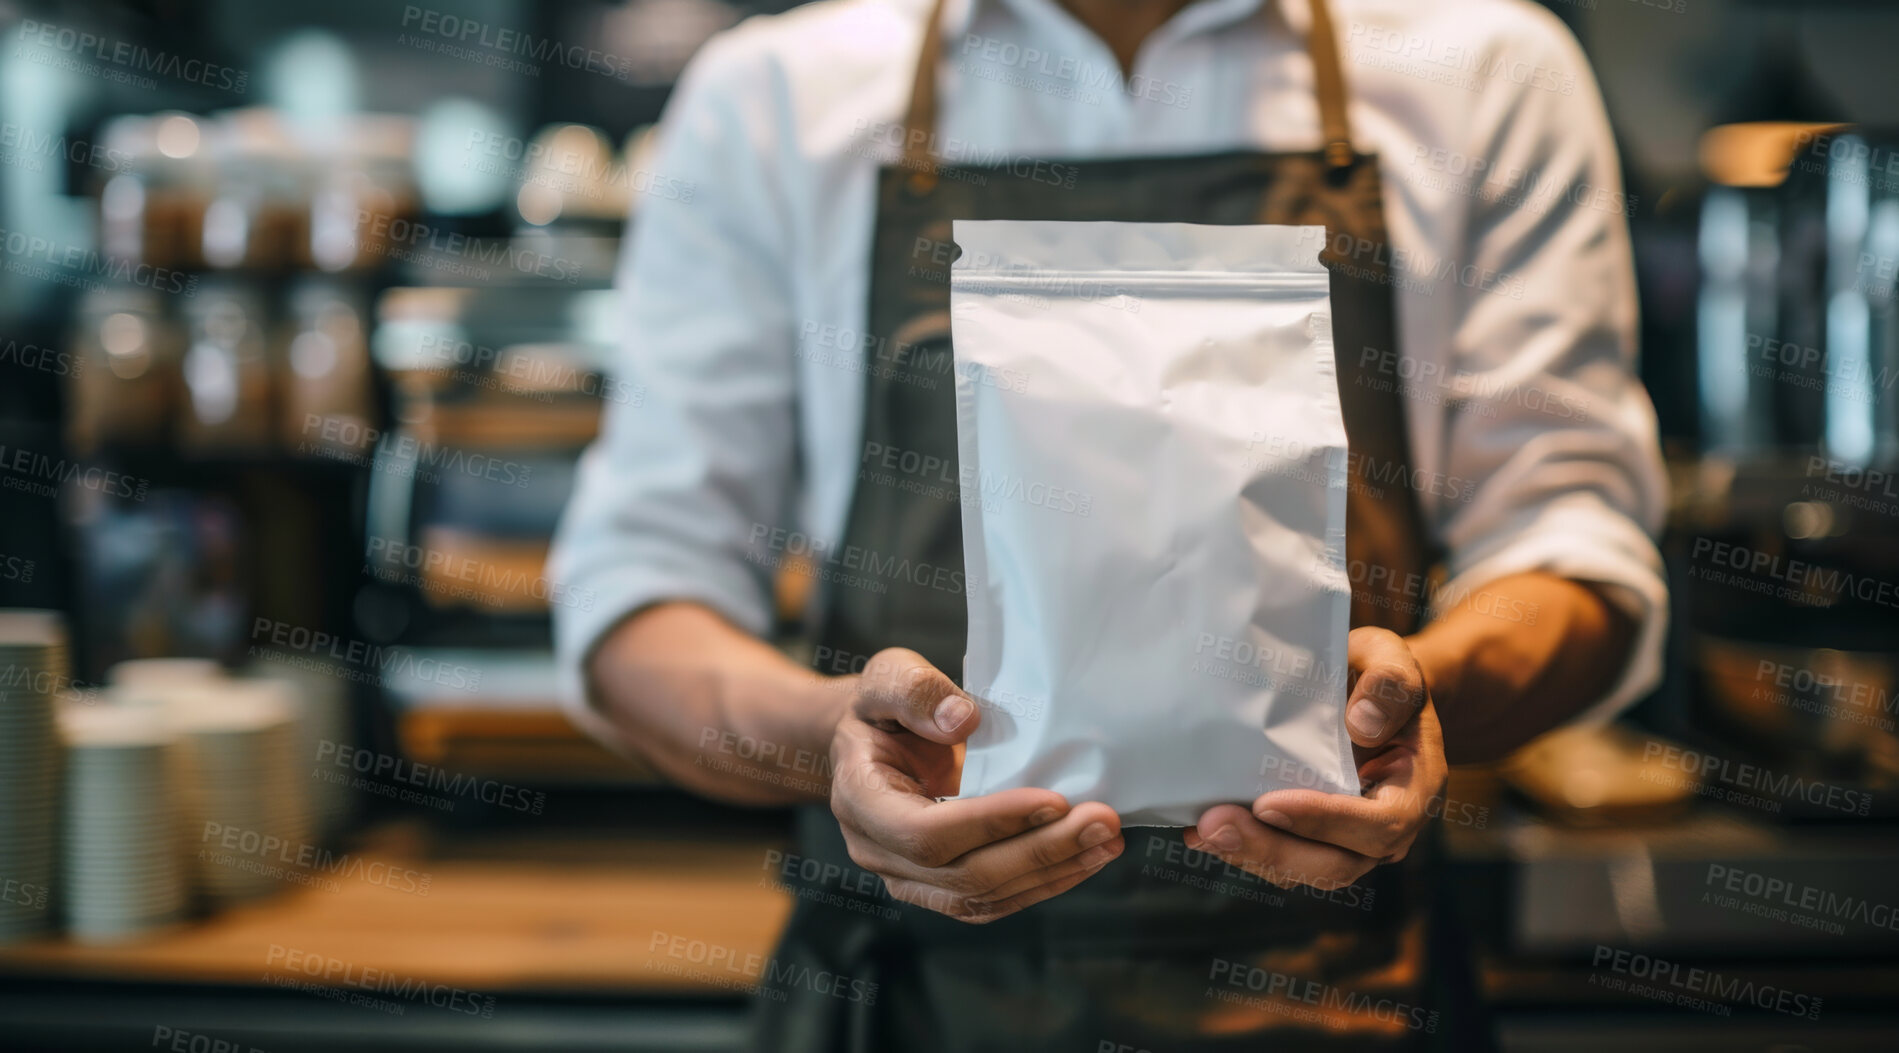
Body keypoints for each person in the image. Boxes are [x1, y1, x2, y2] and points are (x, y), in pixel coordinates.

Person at [549, 0, 1668, 1048]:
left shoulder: (1481, 71)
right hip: (915, 995)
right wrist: (839, 736)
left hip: (1340, 990)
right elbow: (639, 591)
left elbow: (1576, 545)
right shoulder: (777, 96)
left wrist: (1409, 700)